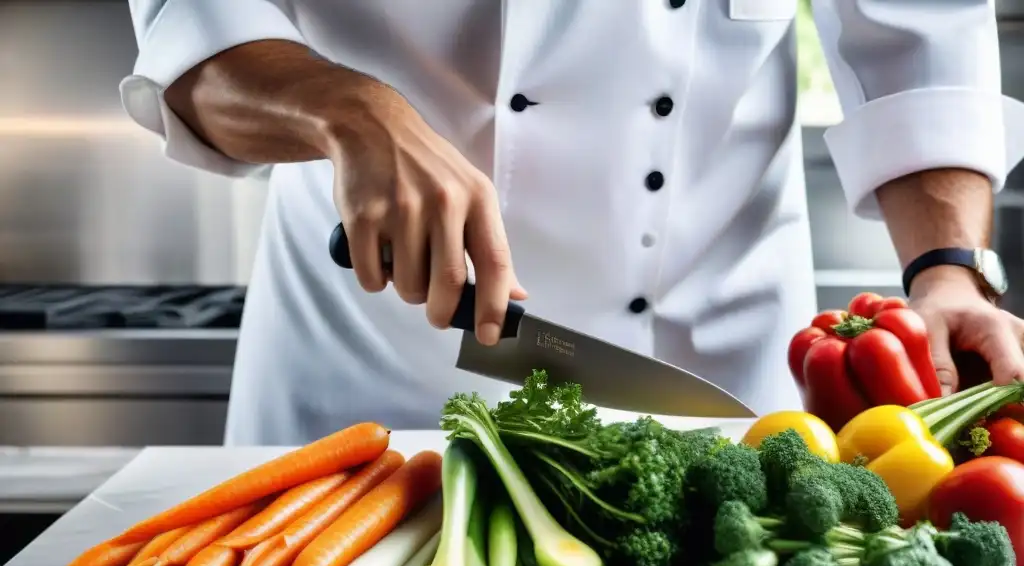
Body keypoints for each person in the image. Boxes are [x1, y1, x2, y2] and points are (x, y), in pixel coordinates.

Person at [122, 0, 1024, 445]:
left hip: (717, 372)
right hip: (377, 373)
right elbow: (191, 27)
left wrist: (947, 265)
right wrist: (347, 110)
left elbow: (913, 26)